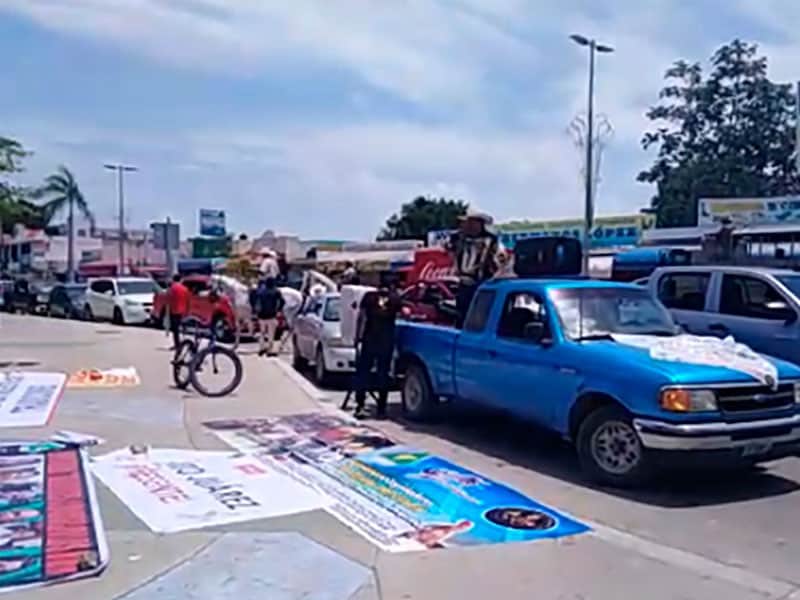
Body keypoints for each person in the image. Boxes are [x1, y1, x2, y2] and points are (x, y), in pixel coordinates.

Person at [353, 273, 403, 420]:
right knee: (383, 374)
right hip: (386, 342)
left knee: (363, 373)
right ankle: (381, 409)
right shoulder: (395, 299)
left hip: (369, 340)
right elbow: (400, 319)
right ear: (393, 285)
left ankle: (360, 406)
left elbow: (361, 318)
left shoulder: (369, 297)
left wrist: (357, 337)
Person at [446, 209, 500, 327]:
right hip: (463, 283)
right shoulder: (460, 239)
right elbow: (449, 249)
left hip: (481, 284)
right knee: (462, 313)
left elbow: (496, 263)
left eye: (472, 223)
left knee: (479, 315)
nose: (467, 226)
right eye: (467, 223)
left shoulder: (490, 242)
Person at [251, 277, 284, 357]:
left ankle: (261, 347)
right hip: (272, 315)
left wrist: (254, 311)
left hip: (261, 315)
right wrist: (279, 310)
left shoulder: (260, 292)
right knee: (271, 334)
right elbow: (282, 302)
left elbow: (253, 299)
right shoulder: (276, 291)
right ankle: (269, 350)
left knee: (262, 333)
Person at [167, 274, 190, 349]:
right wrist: (187, 311)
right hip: (183, 311)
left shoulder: (172, 288)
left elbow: (169, 300)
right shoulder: (185, 289)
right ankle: (184, 343)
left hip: (174, 311)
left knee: (175, 330)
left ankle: (177, 344)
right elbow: (188, 300)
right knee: (183, 328)